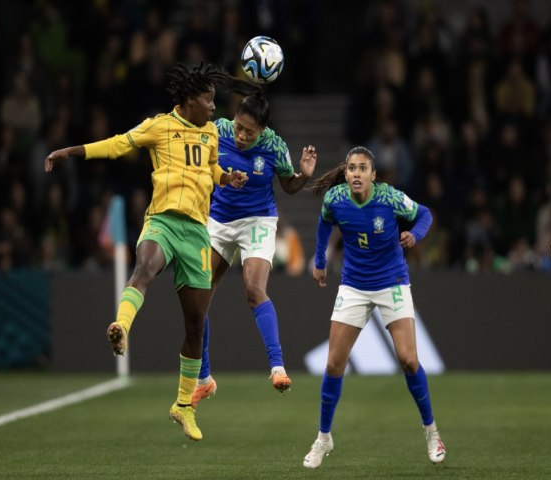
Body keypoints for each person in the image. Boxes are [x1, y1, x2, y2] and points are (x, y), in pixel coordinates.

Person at [44, 62, 248, 442]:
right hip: (163, 223)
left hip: (197, 235)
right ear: (189, 99)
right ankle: (121, 325)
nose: (213, 108)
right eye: (208, 100)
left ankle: (183, 406)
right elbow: (117, 144)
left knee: (196, 325)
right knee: (145, 268)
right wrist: (70, 152)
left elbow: (211, 168)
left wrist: (227, 177)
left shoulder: (210, 134)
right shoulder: (159, 126)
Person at [302, 146, 446, 468]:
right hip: (354, 285)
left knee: (409, 360)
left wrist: (415, 234)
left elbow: (425, 214)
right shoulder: (336, 198)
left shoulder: (390, 198)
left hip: (392, 281)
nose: (356, 173)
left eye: (362, 168)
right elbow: (325, 223)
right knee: (334, 365)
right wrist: (321, 261)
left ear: (373, 174)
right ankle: (323, 438)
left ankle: (431, 432)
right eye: (351, 168)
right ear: (346, 172)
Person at [191, 92, 317, 405]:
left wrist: (303, 176)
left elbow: (288, 185)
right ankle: (204, 379)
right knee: (197, 295)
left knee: (253, 289)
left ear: (262, 131)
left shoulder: (274, 146)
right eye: (239, 126)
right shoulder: (218, 129)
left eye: (250, 131)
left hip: (258, 222)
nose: (242, 135)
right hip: (219, 221)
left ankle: (277, 367)